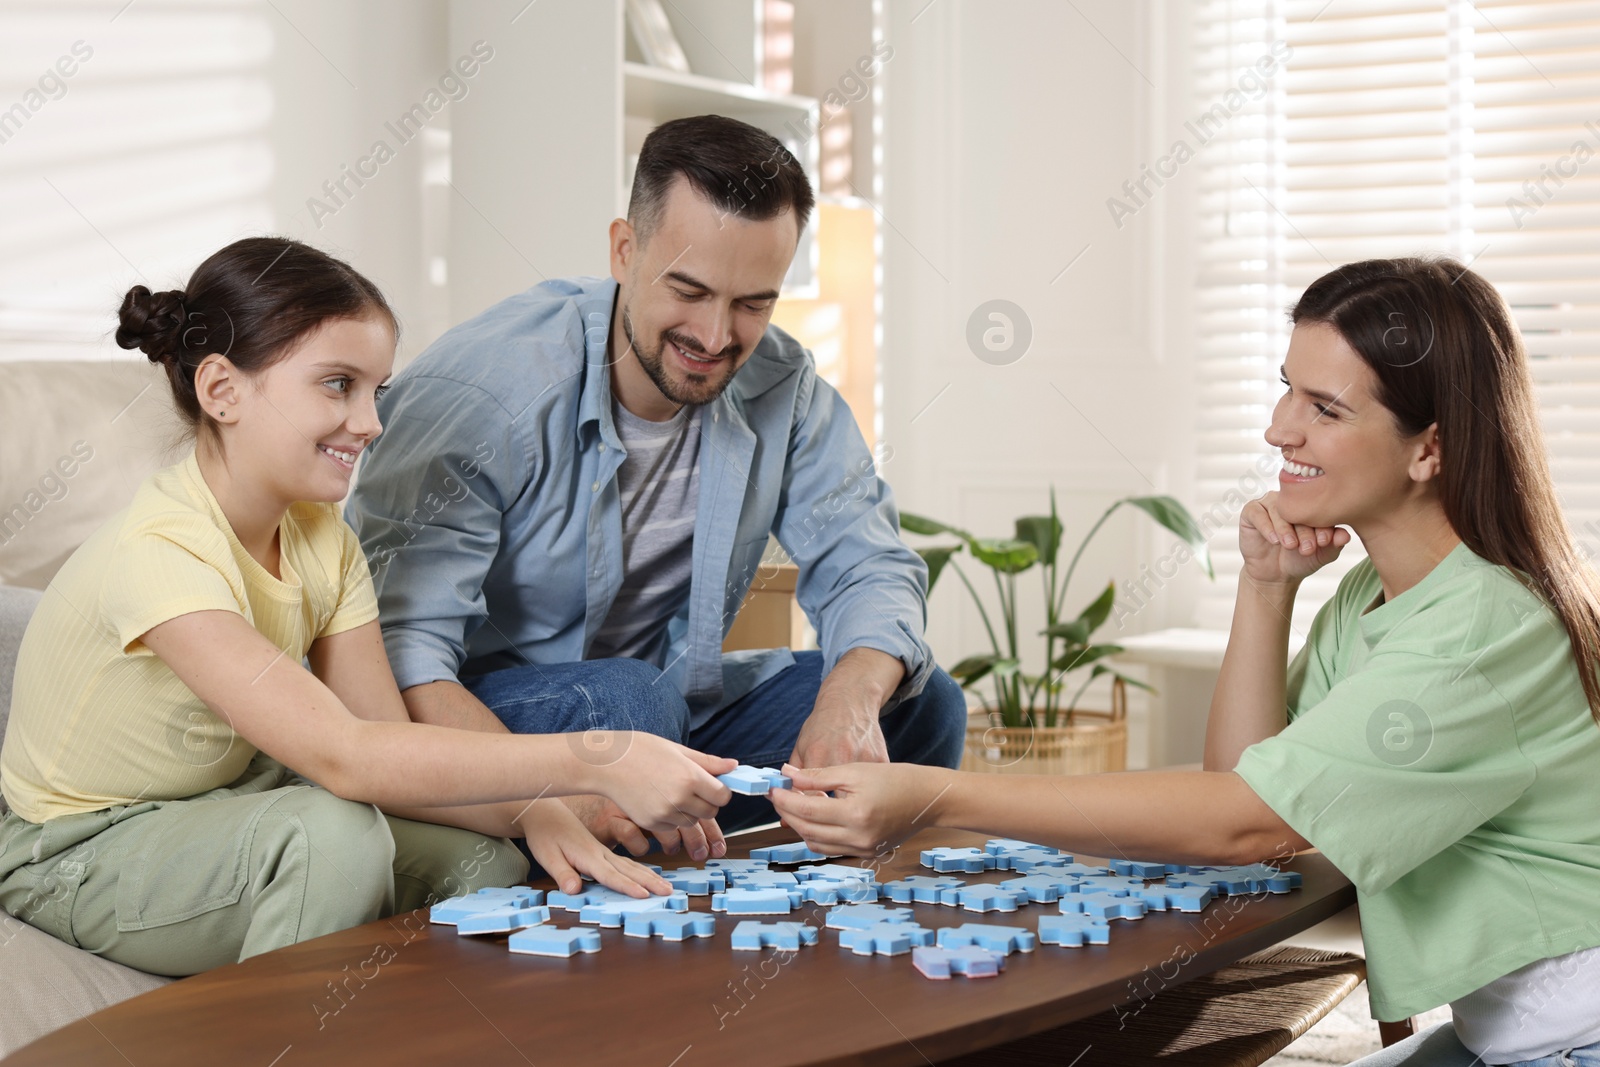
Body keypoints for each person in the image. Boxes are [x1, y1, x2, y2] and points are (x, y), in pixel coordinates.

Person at [771, 257, 1600, 1066]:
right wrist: (1266, 587)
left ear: (1431, 449)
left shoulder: (1482, 626)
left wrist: (938, 795)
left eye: (1325, 408)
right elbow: (1249, 786)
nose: (1281, 427)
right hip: (1510, 1028)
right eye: (1286, 387)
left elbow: (1247, 823)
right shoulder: (1372, 598)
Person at [0, 238, 731, 977]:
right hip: (76, 847)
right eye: (338, 384)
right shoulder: (161, 552)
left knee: (485, 862)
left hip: (224, 806)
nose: (371, 422)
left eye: (376, 390)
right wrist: (602, 759)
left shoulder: (324, 540)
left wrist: (540, 810)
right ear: (222, 390)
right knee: (334, 837)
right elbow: (344, 759)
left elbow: (386, 738)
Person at [345, 114, 967, 857]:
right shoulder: (483, 396)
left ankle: (792, 926)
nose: (714, 336)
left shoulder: (784, 389)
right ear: (624, 249)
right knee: (628, 705)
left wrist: (850, 705)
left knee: (917, 703)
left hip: (665, 711)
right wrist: (567, 788)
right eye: (689, 289)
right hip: (488, 722)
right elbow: (400, 664)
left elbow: (868, 564)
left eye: (751, 304)